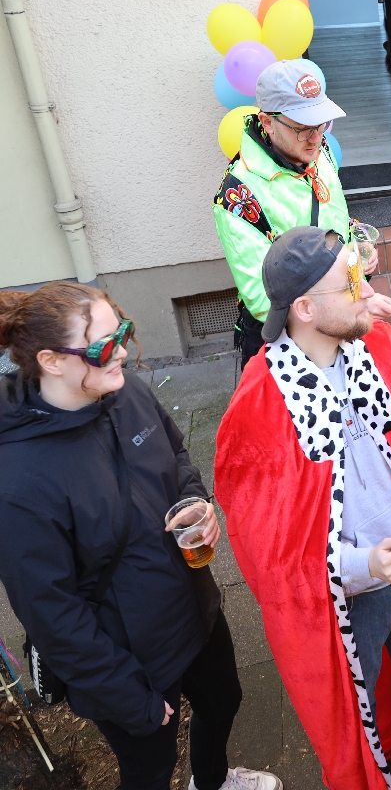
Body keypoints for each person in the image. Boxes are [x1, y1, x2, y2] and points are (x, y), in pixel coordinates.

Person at [214, 228, 391, 790]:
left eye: (360, 274)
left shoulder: (382, 349)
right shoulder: (262, 404)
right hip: (353, 591)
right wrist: (361, 566)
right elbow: (271, 547)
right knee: (358, 697)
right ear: (304, 308)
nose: (367, 290)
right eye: (349, 282)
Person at [0, 284, 277, 790]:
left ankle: (212, 781)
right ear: (51, 362)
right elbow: (52, 614)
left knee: (225, 701)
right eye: (104, 346)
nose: (123, 352)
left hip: (193, 610)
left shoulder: (126, 391)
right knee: (150, 769)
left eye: (122, 332)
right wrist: (129, 696)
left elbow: (175, 454)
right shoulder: (18, 480)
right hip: (125, 658)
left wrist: (194, 499)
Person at [213, 59, 391, 369]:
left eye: (321, 123)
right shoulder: (237, 195)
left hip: (338, 315)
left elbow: (332, 217)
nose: (315, 137)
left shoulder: (319, 150)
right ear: (267, 122)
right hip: (289, 339)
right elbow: (262, 298)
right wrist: (352, 303)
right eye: (302, 128)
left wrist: (355, 245)